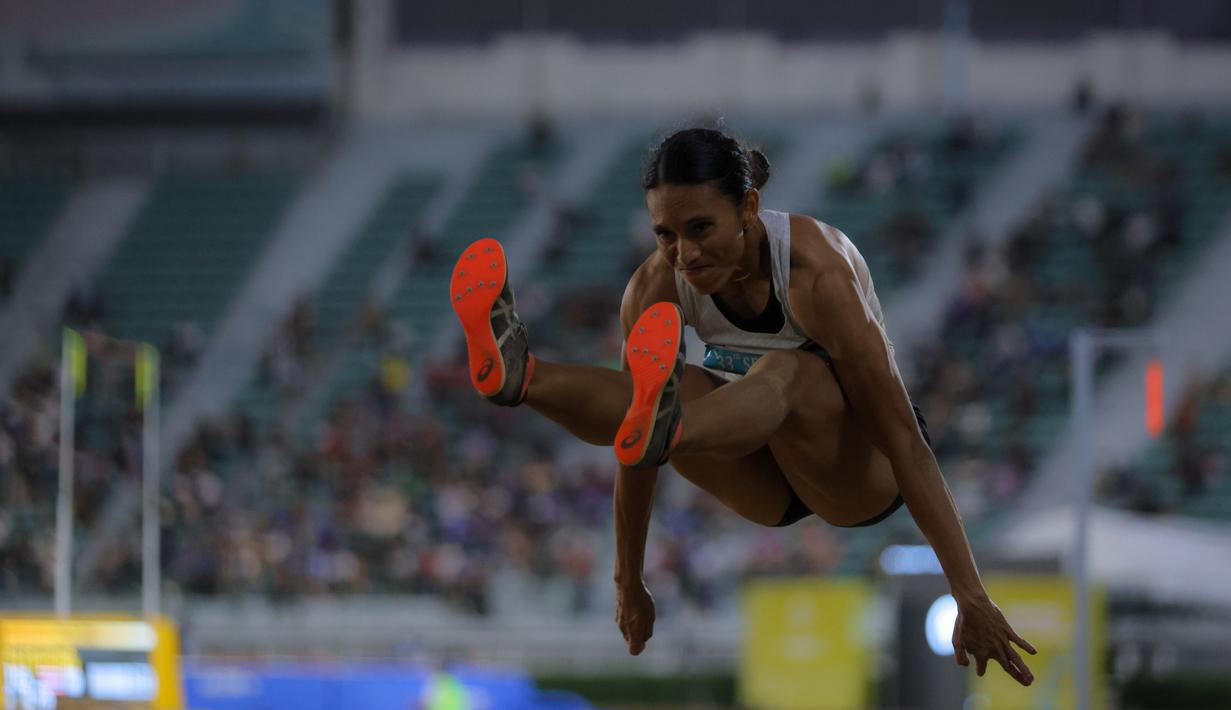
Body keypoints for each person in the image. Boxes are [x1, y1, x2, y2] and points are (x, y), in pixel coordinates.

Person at [449, 127, 1036, 687]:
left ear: (749, 208)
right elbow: (633, 436)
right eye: (665, 235)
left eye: (702, 228)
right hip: (758, 469)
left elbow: (906, 440)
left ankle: (673, 423)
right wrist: (629, 580)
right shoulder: (654, 286)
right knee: (656, 394)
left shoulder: (817, 274)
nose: (685, 254)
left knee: (787, 371)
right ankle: (524, 376)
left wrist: (969, 593)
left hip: (859, 475)